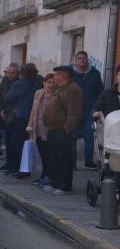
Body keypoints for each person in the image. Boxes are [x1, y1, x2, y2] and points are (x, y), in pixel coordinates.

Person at [43, 65, 83, 194]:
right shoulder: (59, 89)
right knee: (54, 158)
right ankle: (55, 182)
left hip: (62, 129)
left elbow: (74, 112)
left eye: (56, 74)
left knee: (64, 159)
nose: (54, 77)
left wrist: (67, 128)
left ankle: (64, 185)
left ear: (63, 75)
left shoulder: (73, 89)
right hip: (53, 128)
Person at [3, 64, 39, 178]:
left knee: (16, 143)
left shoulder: (19, 84)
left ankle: (20, 168)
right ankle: (23, 167)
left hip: (19, 117)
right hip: (32, 117)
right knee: (26, 143)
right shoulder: (37, 83)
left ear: (21, 74)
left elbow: (8, 98)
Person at [72, 51, 104, 170]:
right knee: (72, 137)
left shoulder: (95, 74)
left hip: (89, 111)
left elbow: (100, 92)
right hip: (74, 111)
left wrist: (97, 108)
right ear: (76, 60)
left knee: (89, 136)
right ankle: (72, 162)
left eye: (84, 58)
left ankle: (89, 162)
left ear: (87, 60)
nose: (82, 60)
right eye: (79, 58)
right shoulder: (70, 73)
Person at [26, 73, 56, 188]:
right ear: (44, 83)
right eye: (49, 82)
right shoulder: (39, 93)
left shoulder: (57, 95)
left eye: (53, 82)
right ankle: (44, 175)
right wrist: (30, 125)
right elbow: (33, 110)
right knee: (43, 155)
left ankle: (49, 176)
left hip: (49, 130)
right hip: (38, 129)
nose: (51, 85)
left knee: (49, 154)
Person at [0, 63, 20, 164]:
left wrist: (6, 111)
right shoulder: (5, 81)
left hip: (14, 115)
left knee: (15, 142)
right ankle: (8, 163)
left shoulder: (19, 82)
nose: (10, 75)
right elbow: (0, 96)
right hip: (4, 115)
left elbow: (16, 99)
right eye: (8, 73)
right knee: (7, 140)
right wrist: (1, 110)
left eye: (12, 73)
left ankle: (15, 164)